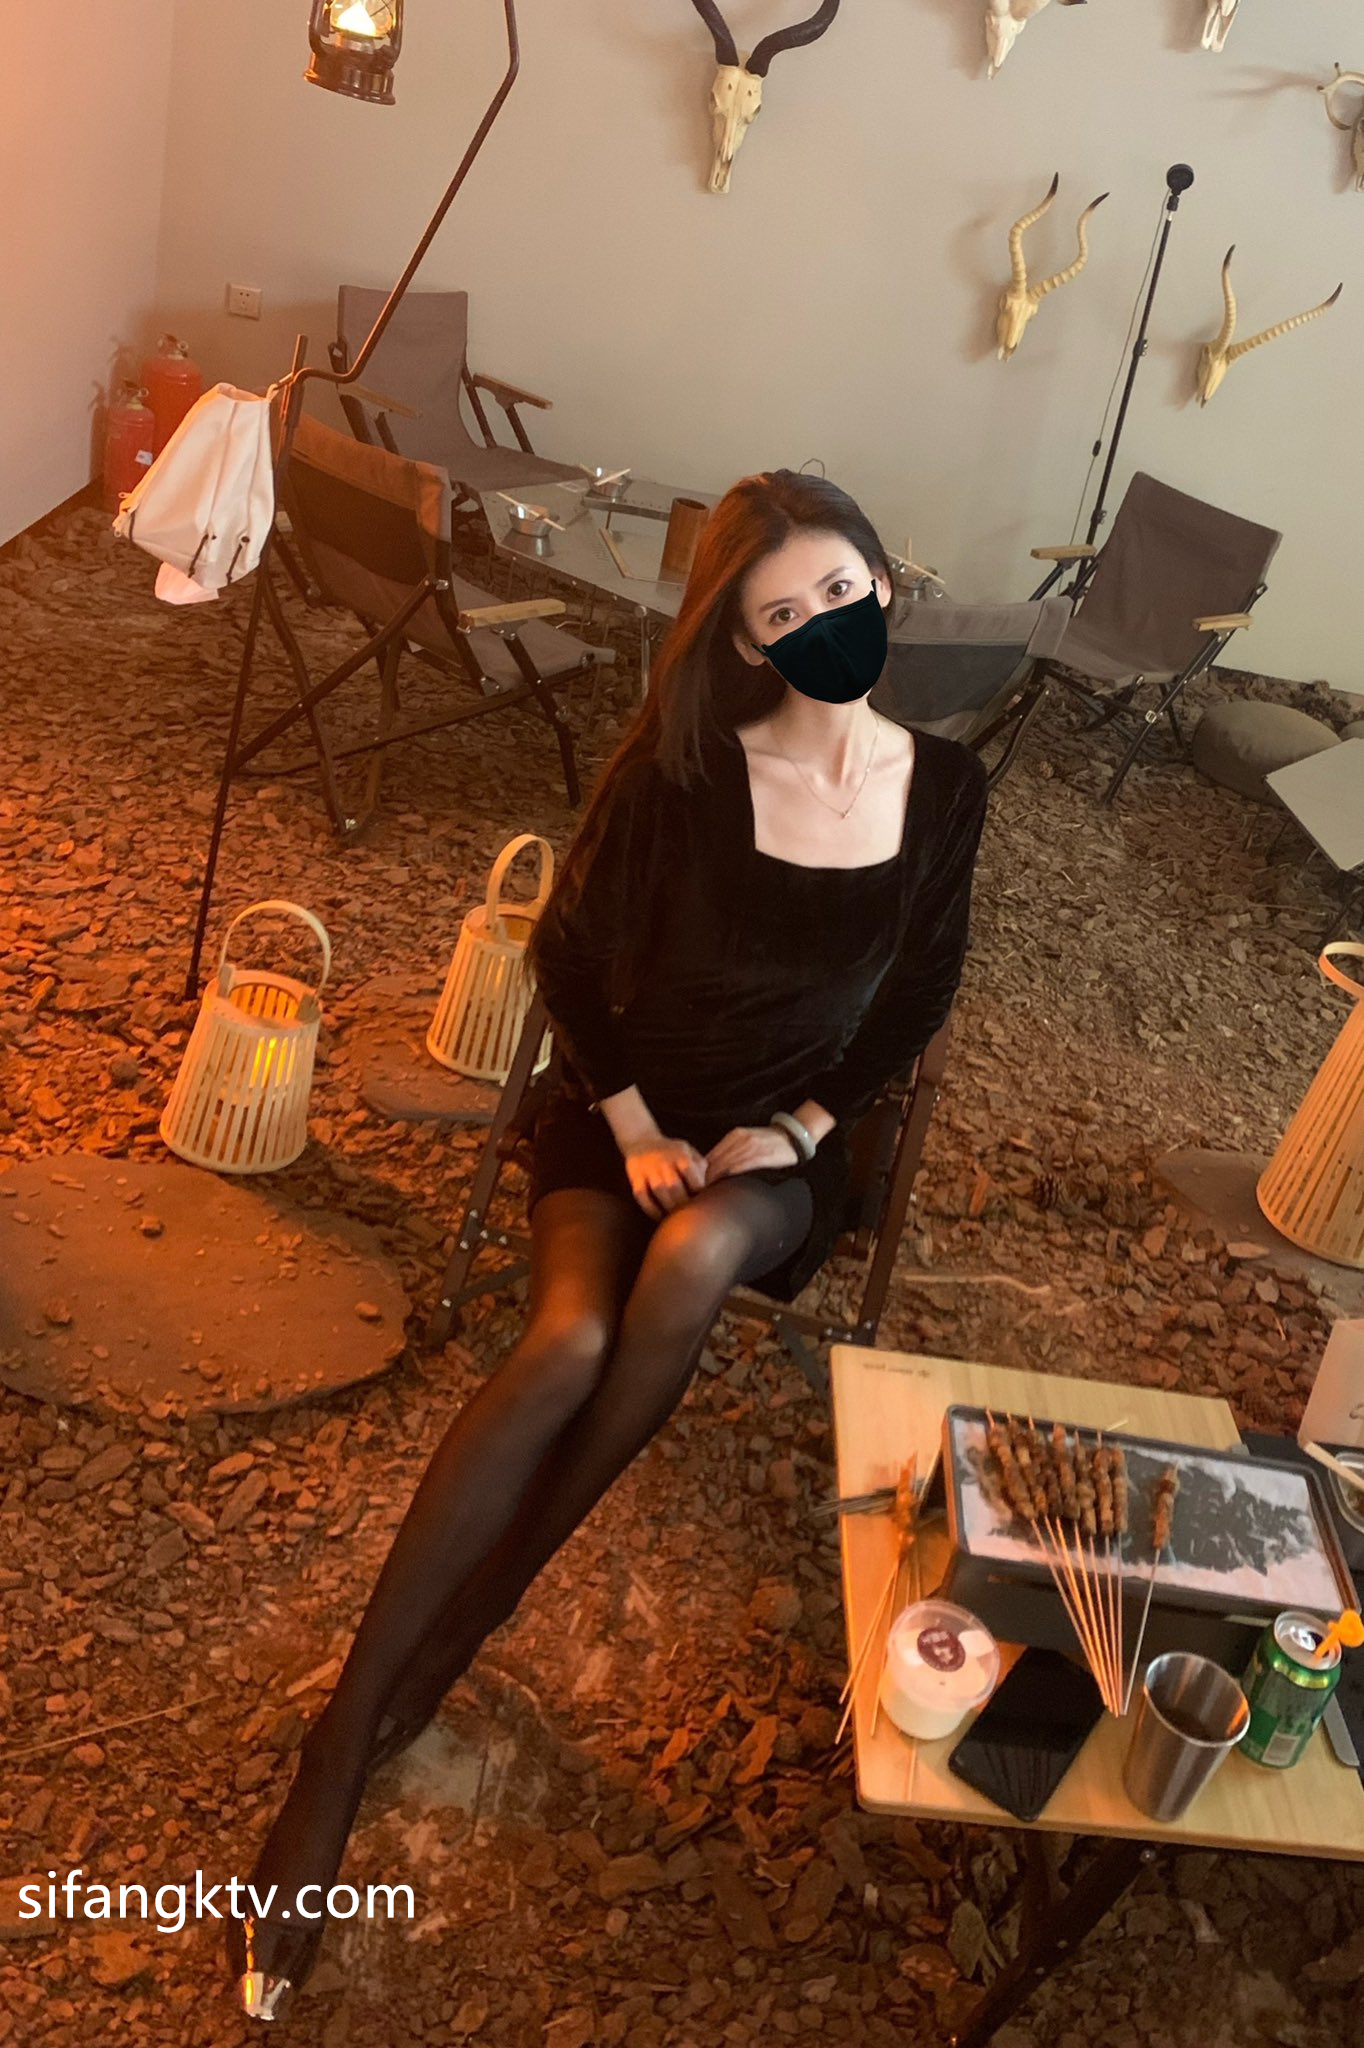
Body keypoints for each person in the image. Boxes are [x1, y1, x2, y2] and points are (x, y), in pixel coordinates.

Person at [227, 469, 989, 2021]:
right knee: (566, 1341)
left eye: (842, 592)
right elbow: (567, 958)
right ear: (748, 642)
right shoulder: (685, 773)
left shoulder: (948, 788)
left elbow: (920, 992)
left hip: (770, 1159)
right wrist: (635, 1126)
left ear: (885, 586)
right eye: (784, 613)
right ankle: (346, 1740)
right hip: (619, 1118)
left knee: (698, 1260)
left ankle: (467, 1625)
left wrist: (802, 1127)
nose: (824, 626)